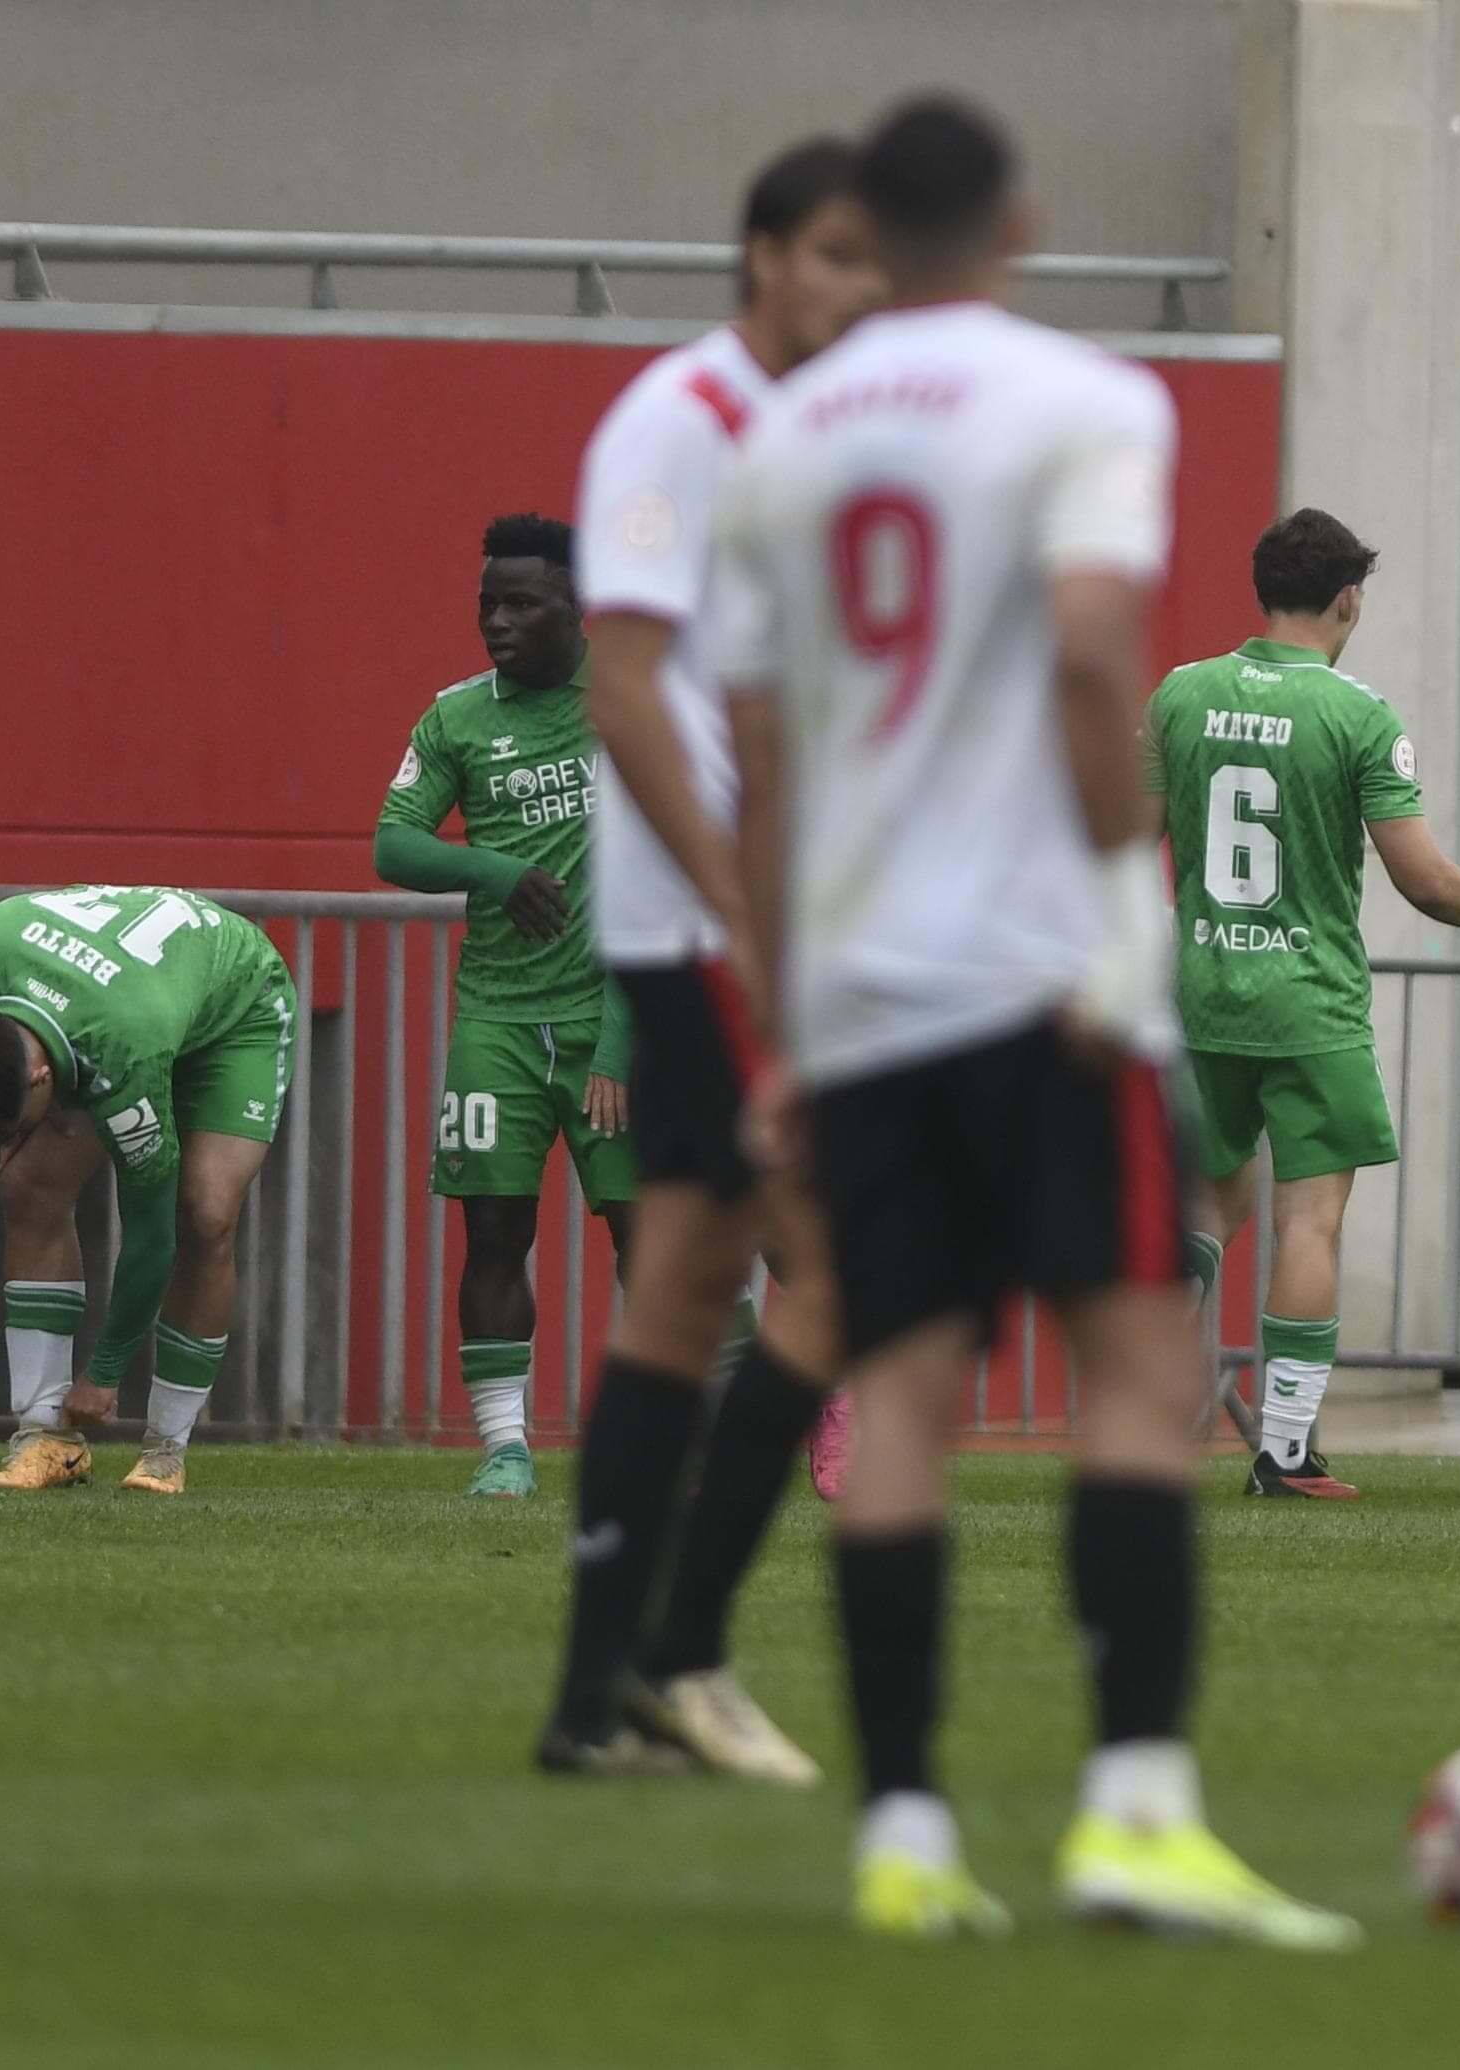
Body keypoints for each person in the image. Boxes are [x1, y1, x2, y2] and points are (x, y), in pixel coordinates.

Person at [710, 93, 1354, 1949]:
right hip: (1042, 978)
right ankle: (1132, 1813)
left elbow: (757, 766)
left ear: (866, 228)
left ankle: (905, 1837)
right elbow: (1087, 652)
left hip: (864, 991)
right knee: (1139, 1369)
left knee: (903, 1389)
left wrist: (782, 1024)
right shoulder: (1084, 403)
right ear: (1016, 220)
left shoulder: (782, 439)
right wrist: (1102, 911)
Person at [529, 138, 881, 1783]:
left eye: (876, 262)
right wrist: (744, 913)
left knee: (678, 1300)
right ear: (759, 255)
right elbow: (621, 686)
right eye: (830, 254)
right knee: (836, 1275)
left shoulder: (812, 437)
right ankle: (680, 1651)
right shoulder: (682, 420)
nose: (855, 289)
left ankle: (597, 1701)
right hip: (705, 928)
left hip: (756, 920)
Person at [1142, 507, 1460, 1499]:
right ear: (1347, 599)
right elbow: (1421, 880)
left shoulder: (1182, 695)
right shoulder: (1355, 715)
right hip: (1306, 1001)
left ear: (1262, 588)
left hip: (1198, 990)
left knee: (1205, 1203)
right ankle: (1282, 1451)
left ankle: (1144, 1395)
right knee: (1307, 1219)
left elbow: (1132, 831)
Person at [374, 514, 641, 1497]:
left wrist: (622, 1024)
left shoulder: (630, 700)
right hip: (495, 1019)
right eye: (486, 602)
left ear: (578, 606)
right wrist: (489, 869)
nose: (496, 621)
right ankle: (504, 1447)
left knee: (647, 1234)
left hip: (614, 1013)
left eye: (521, 602)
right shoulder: (455, 717)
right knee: (492, 1230)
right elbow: (391, 843)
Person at [0, 885, 296, 1497]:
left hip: (235, 1007)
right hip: (121, 996)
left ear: (41, 1076)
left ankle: (165, 1451)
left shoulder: (124, 1054)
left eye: (17, 1122)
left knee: (205, 1215)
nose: (13, 1136)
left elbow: (152, 1236)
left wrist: (103, 1373)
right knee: (26, 1184)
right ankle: (43, 1437)